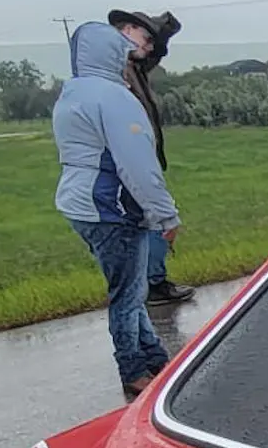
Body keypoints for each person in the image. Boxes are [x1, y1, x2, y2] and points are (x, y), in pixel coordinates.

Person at [53, 20, 182, 400]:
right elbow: (137, 165)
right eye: (123, 56)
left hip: (80, 205)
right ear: (110, 54)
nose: (127, 63)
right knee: (126, 295)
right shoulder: (114, 98)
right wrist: (166, 215)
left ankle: (154, 358)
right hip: (112, 207)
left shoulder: (73, 92)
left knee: (130, 287)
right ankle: (134, 370)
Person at [107, 6, 194, 304]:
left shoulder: (134, 67)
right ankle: (150, 284)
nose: (149, 47)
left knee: (149, 219)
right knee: (153, 218)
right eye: (146, 38)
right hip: (130, 161)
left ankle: (148, 281)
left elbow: (153, 54)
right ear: (126, 31)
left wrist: (162, 31)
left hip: (140, 156)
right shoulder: (115, 71)